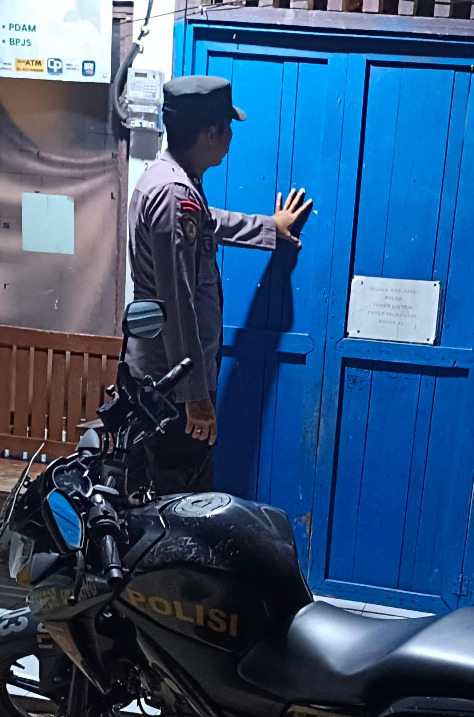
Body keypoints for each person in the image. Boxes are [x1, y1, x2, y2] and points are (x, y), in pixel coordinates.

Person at [127, 74, 312, 493]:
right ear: (211, 133)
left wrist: (270, 227)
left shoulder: (171, 182)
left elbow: (209, 223)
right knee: (178, 510)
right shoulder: (174, 194)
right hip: (171, 392)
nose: (230, 136)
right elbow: (177, 305)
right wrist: (195, 396)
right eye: (227, 126)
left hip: (166, 384)